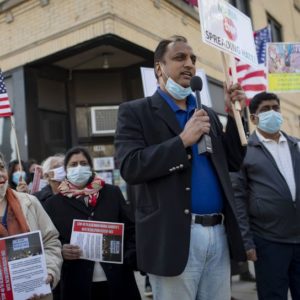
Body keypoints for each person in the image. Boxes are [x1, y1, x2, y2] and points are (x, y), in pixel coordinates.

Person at [115, 35, 247, 300]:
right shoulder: (135, 111)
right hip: (174, 237)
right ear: (159, 68)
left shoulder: (205, 113)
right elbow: (130, 167)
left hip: (218, 235)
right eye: (179, 58)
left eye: (192, 59)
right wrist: (182, 142)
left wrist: (235, 116)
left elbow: (232, 161)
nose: (189, 64)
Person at [43, 146, 141, 300]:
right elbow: (49, 240)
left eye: (83, 163)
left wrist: (128, 256)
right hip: (77, 284)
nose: (79, 167)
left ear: (90, 166)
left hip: (118, 280)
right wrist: (62, 250)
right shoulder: (53, 204)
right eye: (73, 165)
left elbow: (131, 228)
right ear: (66, 170)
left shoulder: (112, 193)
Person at [231, 91, 300, 300]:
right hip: (268, 241)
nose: (272, 113)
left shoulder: (296, 145)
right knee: (272, 295)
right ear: (253, 118)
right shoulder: (245, 151)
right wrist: (247, 242)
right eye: (265, 110)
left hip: (299, 238)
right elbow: (238, 199)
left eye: (275, 108)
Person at [0, 152, 62, 300]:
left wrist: (49, 271)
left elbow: (51, 242)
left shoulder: (30, 202)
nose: (1, 174)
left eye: (1, 167)